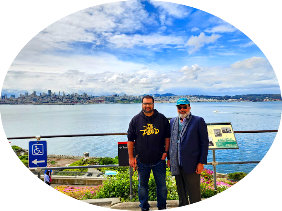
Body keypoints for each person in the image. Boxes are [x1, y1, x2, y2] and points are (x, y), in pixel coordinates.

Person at [127, 95, 170, 211]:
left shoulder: (162, 119)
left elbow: (167, 137)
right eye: (145, 103)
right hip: (142, 160)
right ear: (142, 104)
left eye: (149, 103)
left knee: (162, 187)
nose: (147, 106)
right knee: (142, 187)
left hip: (159, 160)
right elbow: (130, 140)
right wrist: (131, 158)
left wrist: (166, 152)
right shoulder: (135, 120)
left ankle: (162, 207)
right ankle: (144, 207)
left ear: (153, 104)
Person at [168, 98, 209, 206]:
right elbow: (172, 141)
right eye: (179, 107)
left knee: (194, 194)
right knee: (181, 194)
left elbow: (204, 143)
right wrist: (169, 159)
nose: (182, 109)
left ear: (189, 107)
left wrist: (201, 162)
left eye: (184, 107)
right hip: (177, 162)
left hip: (192, 164)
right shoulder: (173, 121)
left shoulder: (198, 121)